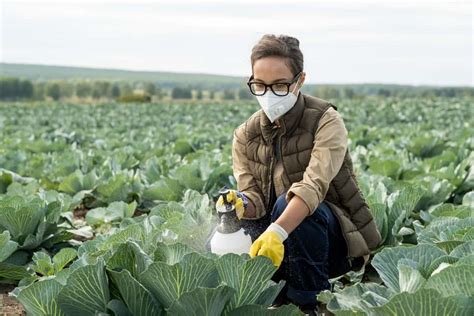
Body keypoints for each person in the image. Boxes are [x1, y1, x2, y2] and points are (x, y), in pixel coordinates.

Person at [215, 34, 382, 313]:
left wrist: (277, 231)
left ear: (300, 80)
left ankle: (310, 302)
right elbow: (254, 195)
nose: (269, 95)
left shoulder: (325, 120)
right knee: (229, 224)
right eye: (260, 85)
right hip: (279, 239)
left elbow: (313, 185)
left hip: (331, 239)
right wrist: (241, 203)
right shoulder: (246, 135)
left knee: (286, 204)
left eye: (280, 85)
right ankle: (269, 293)